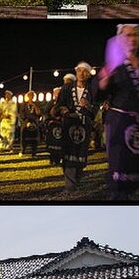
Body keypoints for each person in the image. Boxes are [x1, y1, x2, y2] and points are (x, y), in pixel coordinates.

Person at [96, 24, 139, 201]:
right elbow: (98, 94)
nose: (132, 39)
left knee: (138, 172)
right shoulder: (114, 66)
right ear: (120, 39)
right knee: (120, 177)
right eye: (128, 35)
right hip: (119, 124)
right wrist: (103, 81)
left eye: (135, 35)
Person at [56, 61, 95, 191]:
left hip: (84, 125)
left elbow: (96, 109)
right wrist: (64, 110)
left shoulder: (92, 89)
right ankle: (70, 184)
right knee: (68, 152)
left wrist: (88, 106)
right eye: (79, 70)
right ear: (76, 72)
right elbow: (59, 104)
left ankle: (76, 177)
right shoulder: (66, 88)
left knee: (81, 154)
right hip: (69, 124)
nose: (81, 73)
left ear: (89, 75)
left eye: (85, 71)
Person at [44, 87, 63, 167]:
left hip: (61, 125)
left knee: (59, 143)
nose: (57, 94)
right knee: (51, 143)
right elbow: (46, 112)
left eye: (59, 93)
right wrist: (49, 120)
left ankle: (58, 159)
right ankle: (52, 159)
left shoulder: (63, 102)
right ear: (53, 94)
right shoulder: (51, 103)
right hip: (52, 125)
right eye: (56, 93)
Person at [19, 91, 42, 157]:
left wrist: (35, 107)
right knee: (24, 136)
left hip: (34, 122)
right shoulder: (24, 104)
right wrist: (26, 121)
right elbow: (21, 114)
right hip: (26, 122)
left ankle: (34, 152)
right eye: (29, 95)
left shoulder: (36, 104)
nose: (31, 97)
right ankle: (23, 150)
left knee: (34, 138)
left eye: (32, 95)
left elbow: (38, 113)